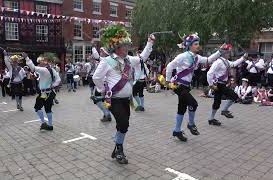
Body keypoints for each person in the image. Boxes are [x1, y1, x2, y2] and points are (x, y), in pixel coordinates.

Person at [93, 25, 154, 164]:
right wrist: (103, 90)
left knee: (123, 126)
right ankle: (119, 149)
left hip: (127, 100)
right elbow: (96, 78)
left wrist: (149, 42)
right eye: (124, 46)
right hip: (113, 100)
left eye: (127, 45)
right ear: (116, 48)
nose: (127, 48)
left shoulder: (129, 60)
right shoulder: (106, 61)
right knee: (123, 123)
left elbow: (142, 58)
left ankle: (116, 148)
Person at [166, 33, 223, 142]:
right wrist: (168, 81)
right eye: (196, 44)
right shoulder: (183, 56)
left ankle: (177, 130)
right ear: (190, 45)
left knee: (182, 108)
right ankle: (190, 124)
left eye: (198, 44)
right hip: (178, 85)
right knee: (193, 103)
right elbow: (169, 66)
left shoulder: (197, 57)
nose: (198, 46)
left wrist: (219, 52)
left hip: (186, 87)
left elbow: (208, 60)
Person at [207, 44, 247, 126]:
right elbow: (209, 73)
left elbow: (234, 64)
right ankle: (223, 111)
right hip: (218, 85)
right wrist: (211, 84)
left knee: (217, 102)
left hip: (222, 85)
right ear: (224, 53)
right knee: (233, 96)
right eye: (228, 53)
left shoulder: (226, 61)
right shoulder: (218, 62)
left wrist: (243, 58)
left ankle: (212, 118)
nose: (229, 54)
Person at [25, 53, 61, 131]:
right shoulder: (52, 70)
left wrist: (27, 58)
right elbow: (58, 80)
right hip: (50, 92)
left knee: (37, 108)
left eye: (41, 61)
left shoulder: (44, 69)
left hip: (44, 93)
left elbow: (33, 68)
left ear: (45, 62)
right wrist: (53, 85)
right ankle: (50, 125)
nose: (40, 63)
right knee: (48, 109)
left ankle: (43, 122)